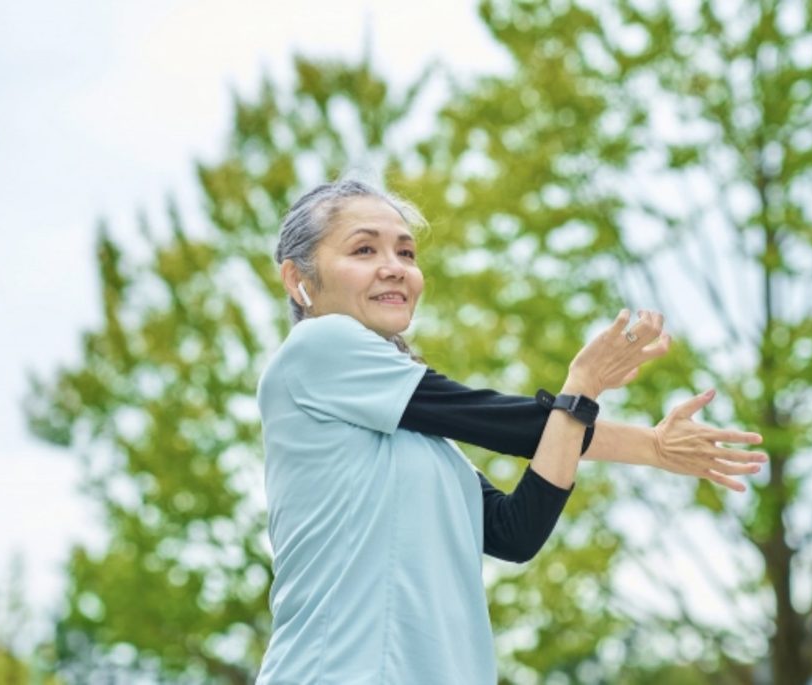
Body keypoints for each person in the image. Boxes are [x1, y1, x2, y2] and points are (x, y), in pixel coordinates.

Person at [255, 179, 767, 684]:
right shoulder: (317, 347)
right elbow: (498, 422)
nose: (395, 267)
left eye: (407, 253)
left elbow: (514, 531)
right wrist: (603, 407)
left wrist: (631, 433)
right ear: (298, 278)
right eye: (364, 249)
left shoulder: (430, 445)